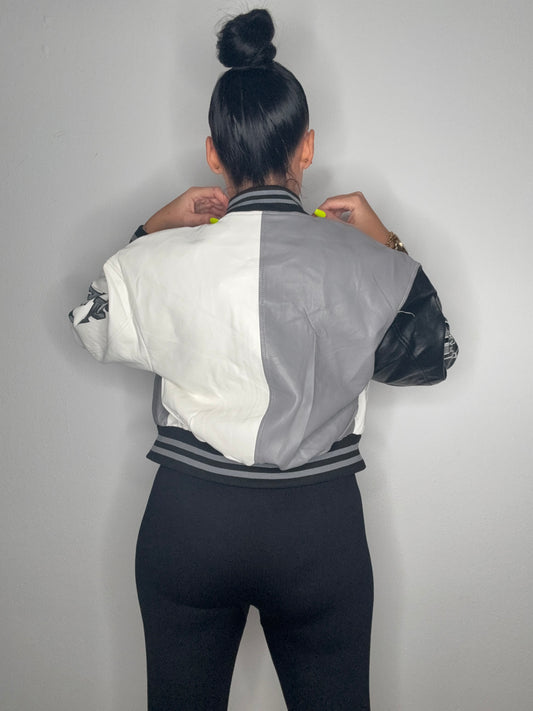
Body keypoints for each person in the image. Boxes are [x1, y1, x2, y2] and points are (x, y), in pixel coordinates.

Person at [69, 9, 458, 711]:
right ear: (306, 148)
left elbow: (91, 324)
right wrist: (385, 241)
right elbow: (434, 355)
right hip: (318, 527)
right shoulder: (366, 264)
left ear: (214, 154)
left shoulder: (158, 260)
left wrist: (152, 228)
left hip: (189, 522)